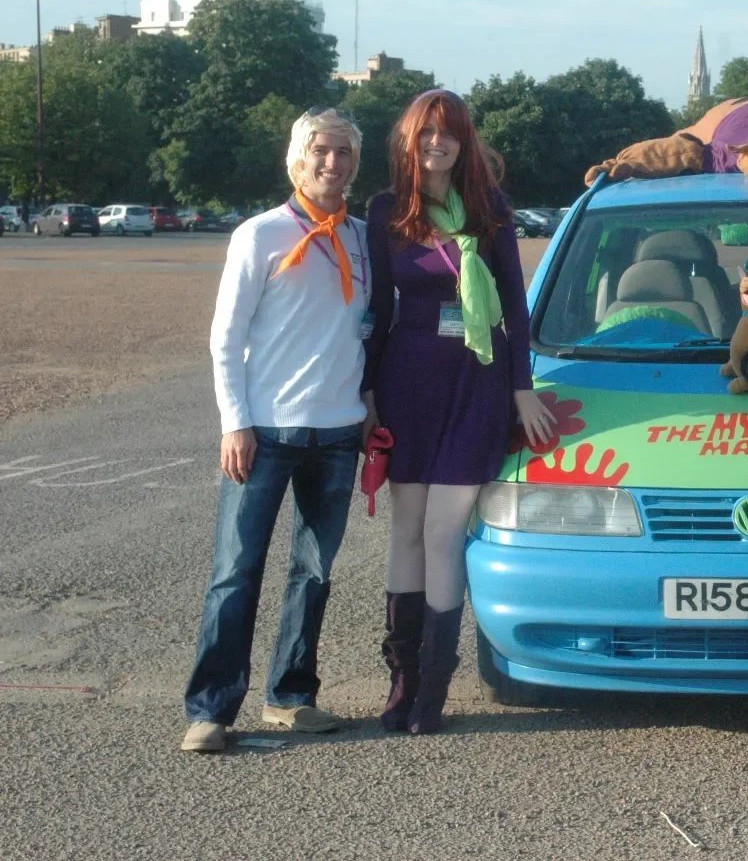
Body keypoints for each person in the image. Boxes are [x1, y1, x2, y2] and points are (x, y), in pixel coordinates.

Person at [363, 89, 554, 735]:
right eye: (426, 135)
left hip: (478, 381)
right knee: (407, 530)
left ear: (463, 141)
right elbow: (378, 313)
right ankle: (402, 680)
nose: (436, 145)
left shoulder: (490, 209)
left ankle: (434, 690)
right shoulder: (386, 211)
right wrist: (367, 393)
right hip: (408, 381)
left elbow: (516, 306)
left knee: (446, 533)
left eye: (448, 134)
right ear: (409, 143)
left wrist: (522, 386)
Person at [182, 108, 372, 753]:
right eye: (321, 151)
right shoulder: (259, 235)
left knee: (314, 573)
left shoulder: (363, 240)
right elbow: (225, 337)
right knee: (236, 571)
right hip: (266, 432)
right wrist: (234, 422)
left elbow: (367, 333)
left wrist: (369, 409)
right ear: (297, 159)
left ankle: (291, 696)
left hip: (339, 431)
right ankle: (211, 709)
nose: (333, 163)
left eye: (344, 152)